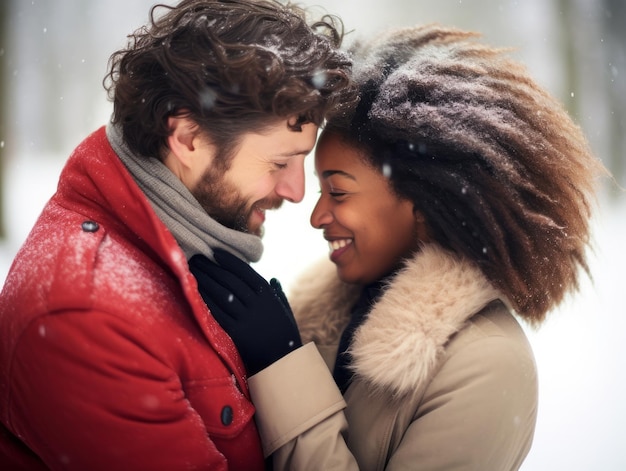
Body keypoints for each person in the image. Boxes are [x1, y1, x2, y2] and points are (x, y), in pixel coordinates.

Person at [194, 24, 607, 470]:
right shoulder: (335, 315)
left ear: (424, 201)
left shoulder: (487, 365)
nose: (316, 216)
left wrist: (282, 365)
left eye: (338, 192)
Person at [0, 0, 355, 469]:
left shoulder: (181, 253)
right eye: (279, 163)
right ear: (188, 138)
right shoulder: (87, 317)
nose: (295, 192)